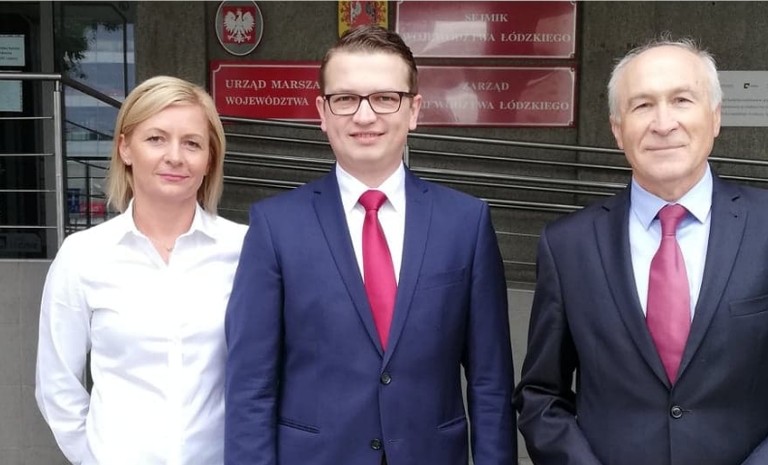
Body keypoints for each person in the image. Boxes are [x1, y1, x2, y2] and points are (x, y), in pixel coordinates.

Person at [225, 25, 516, 465]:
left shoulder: (466, 223)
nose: (365, 116)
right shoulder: (274, 226)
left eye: (385, 98)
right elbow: (251, 385)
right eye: (345, 99)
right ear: (322, 113)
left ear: (414, 110)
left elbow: (490, 382)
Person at [514, 36, 768, 465]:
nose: (663, 123)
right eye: (643, 105)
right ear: (617, 129)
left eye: (682, 100)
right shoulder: (568, 246)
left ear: (715, 117)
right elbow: (541, 395)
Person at [35, 75, 247, 465]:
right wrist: (93, 458)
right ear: (125, 148)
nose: (175, 156)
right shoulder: (84, 256)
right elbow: (56, 384)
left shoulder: (245, 250)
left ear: (209, 160)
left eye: (192, 143)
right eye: (156, 138)